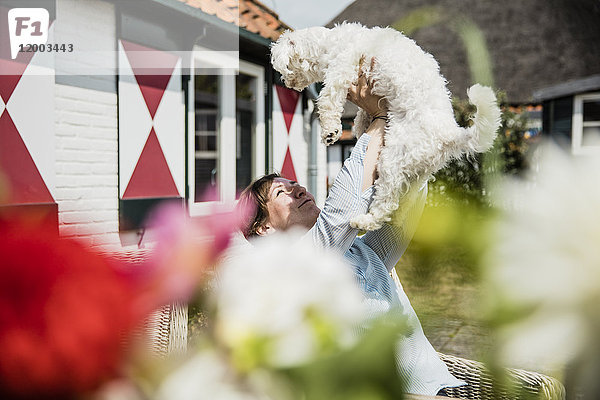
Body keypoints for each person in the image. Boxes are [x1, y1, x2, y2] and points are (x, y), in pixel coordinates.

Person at [238, 59, 464, 396]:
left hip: (444, 388)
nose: (299, 189)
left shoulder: (365, 252)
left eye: (296, 183)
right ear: (264, 229)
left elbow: (409, 204)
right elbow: (341, 214)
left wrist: (403, 119)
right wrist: (378, 118)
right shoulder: (293, 267)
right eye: (281, 193)